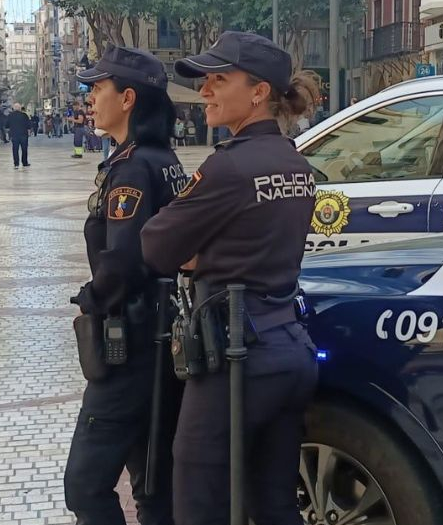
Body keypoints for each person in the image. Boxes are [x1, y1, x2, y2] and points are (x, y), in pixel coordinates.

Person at [140, 31, 321, 525]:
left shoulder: (230, 166)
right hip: (289, 347)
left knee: (199, 500)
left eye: (219, 80)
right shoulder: (294, 161)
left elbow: (156, 245)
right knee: (275, 504)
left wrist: (200, 254)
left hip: (238, 357)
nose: (205, 92)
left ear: (258, 91)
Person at [65, 46, 187, 525]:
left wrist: (91, 300)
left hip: (130, 342)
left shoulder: (133, 167)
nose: (90, 98)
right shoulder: (163, 158)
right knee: (153, 483)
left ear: (128, 97)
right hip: (161, 335)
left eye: (98, 88)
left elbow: (124, 260)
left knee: (86, 485)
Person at [7, 103, 32, 169]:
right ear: (20, 108)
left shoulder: (10, 115)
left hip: (14, 135)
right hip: (23, 135)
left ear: (14, 108)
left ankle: (16, 164)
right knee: (24, 149)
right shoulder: (24, 115)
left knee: (15, 149)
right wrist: (29, 132)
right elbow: (29, 125)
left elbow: (6, 125)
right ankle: (24, 163)